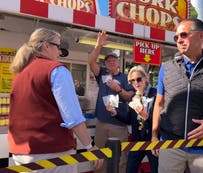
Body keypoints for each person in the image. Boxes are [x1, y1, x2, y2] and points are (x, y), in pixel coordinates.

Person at [8, 28, 103, 173]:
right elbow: (73, 116)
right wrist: (90, 146)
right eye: (58, 47)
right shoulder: (56, 70)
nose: (59, 52)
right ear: (46, 45)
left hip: (20, 152)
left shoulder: (19, 74)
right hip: (52, 152)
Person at [151, 19, 203, 173]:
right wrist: (154, 135)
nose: (179, 40)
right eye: (176, 37)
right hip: (170, 146)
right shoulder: (166, 68)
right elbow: (159, 104)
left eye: (184, 35)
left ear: (201, 36)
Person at [88, 31, 134, 173]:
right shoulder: (102, 74)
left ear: (118, 63)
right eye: (108, 61)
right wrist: (98, 45)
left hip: (119, 125)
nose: (111, 62)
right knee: (99, 156)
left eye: (114, 60)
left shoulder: (126, 77)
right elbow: (91, 62)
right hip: (102, 124)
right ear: (106, 64)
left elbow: (129, 97)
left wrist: (118, 89)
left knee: (119, 158)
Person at [125, 65, 158, 173]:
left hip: (152, 140)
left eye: (139, 79)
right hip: (137, 140)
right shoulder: (134, 97)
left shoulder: (156, 94)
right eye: (132, 81)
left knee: (155, 169)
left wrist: (146, 116)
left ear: (146, 78)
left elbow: (161, 119)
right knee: (130, 169)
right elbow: (129, 120)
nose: (136, 83)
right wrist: (114, 112)